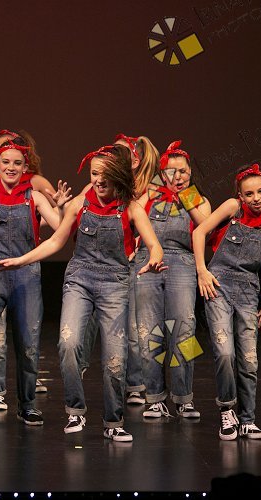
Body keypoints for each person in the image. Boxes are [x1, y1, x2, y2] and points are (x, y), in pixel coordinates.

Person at [0, 144, 165, 441]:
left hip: (114, 284)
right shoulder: (80, 204)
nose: (98, 180)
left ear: (118, 175)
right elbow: (56, 241)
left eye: (105, 174)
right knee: (69, 343)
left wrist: (155, 259)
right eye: (94, 174)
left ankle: (114, 422)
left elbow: (154, 245)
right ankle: (75, 411)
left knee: (115, 356)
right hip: (80, 279)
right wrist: (22, 260)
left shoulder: (131, 208)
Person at [0, 139, 70, 426]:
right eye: (6, 162)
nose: (11, 167)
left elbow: (60, 230)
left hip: (26, 274)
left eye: (17, 163)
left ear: (25, 168)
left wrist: (61, 208)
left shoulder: (34, 197)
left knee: (28, 343)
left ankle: (27, 404)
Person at [193, 163, 261, 440]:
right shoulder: (232, 208)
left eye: (260, 191)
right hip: (218, 285)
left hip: (247, 290)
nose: (256, 198)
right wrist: (202, 271)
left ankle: (248, 419)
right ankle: (227, 410)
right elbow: (199, 232)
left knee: (249, 358)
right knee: (224, 352)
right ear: (240, 195)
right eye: (249, 194)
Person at [78, 133, 161, 407]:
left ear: (134, 161)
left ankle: (176, 395)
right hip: (129, 260)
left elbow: (201, 218)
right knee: (133, 328)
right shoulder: (113, 189)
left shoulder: (160, 186)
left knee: (178, 326)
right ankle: (135, 384)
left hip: (167, 260)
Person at [134, 140, 211, 420]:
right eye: (170, 171)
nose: (177, 176)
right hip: (148, 262)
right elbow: (133, 216)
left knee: (184, 330)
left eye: (183, 171)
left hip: (183, 262)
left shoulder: (199, 199)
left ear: (190, 172)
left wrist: (185, 196)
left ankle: (183, 397)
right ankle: (155, 398)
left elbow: (205, 224)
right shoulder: (149, 194)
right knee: (149, 331)